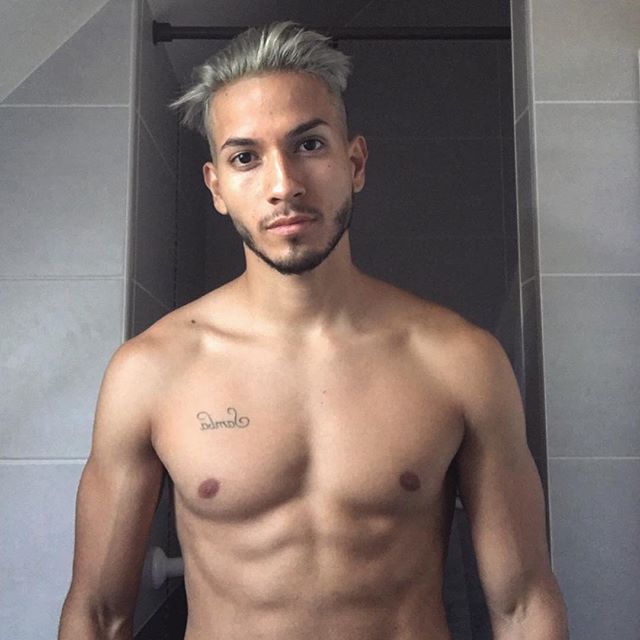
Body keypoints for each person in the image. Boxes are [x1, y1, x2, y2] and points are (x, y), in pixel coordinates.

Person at [58, 21, 568, 640]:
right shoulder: (151, 371)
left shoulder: (459, 360)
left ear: (355, 163)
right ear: (217, 187)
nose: (284, 185)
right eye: (245, 157)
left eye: (308, 144)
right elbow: (99, 612)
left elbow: (523, 605)